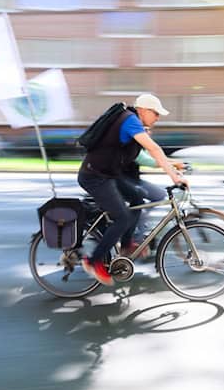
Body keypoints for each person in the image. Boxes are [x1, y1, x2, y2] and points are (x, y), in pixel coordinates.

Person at [78, 93, 187, 286]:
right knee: (122, 217)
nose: (158, 118)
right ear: (143, 110)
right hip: (95, 177)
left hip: (108, 174)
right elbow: (153, 149)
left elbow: (149, 155)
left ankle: (127, 245)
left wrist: (172, 166)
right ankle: (93, 261)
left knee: (138, 198)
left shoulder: (131, 121)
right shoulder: (130, 121)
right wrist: (174, 177)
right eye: (156, 113)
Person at [121, 132, 186, 258]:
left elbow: (155, 156)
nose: (149, 132)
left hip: (133, 179)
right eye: (145, 129)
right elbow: (145, 160)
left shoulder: (139, 142)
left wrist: (174, 163)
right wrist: (173, 164)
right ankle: (138, 237)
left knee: (159, 195)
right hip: (125, 180)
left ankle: (140, 221)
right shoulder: (133, 141)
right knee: (140, 202)